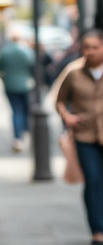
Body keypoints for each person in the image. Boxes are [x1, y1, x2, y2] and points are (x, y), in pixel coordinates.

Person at [56, 30, 103, 243]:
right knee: (93, 181)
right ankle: (97, 230)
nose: (91, 52)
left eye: (95, 47)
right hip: (85, 136)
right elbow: (59, 100)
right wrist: (67, 116)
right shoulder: (73, 72)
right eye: (87, 48)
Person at [0, 30, 36, 152]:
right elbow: (34, 67)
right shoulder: (27, 51)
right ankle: (25, 134)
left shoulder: (5, 52)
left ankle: (17, 138)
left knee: (16, 111)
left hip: (11, 86)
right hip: (27, 85)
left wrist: (5, 79)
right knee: (26, 111)